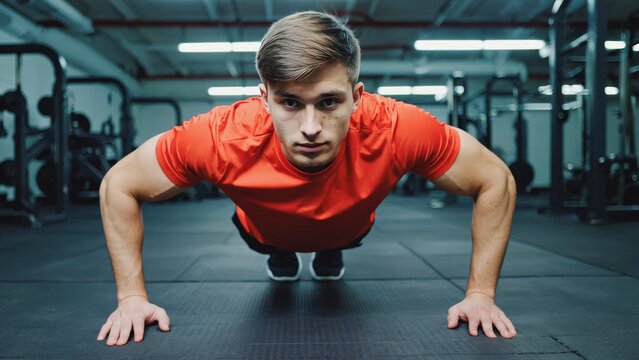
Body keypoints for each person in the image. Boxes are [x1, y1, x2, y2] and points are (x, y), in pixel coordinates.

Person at [96, 11, 517, 347]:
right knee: (273, 244)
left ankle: (327, 250)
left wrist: (480, 295)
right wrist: (132, 299)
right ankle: (282, 255)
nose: (311, 127)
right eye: (291, 103)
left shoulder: (396, 128)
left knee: (336, 236)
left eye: (329, 101)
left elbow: (495, 179)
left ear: (357, 96)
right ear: (264, 99)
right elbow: (119, 184)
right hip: (265, 230)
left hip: (346, 226)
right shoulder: (219, 137)